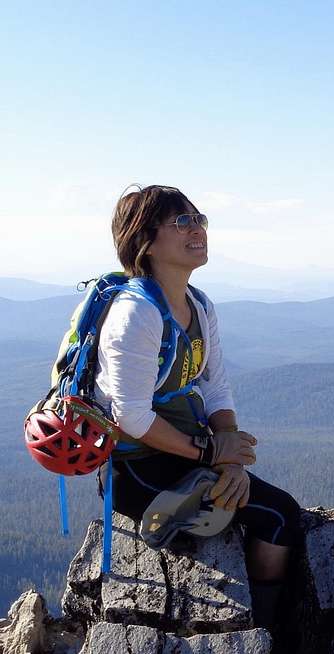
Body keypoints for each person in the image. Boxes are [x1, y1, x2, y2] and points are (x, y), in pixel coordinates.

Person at [94, 184, 302, 628]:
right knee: (279, 516)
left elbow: (216, 387)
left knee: (259, 503)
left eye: (199, 219)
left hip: (185, 452)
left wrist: (230, 458)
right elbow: (129, 415)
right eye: (181, 221)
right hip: (136, 468)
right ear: (145, 241)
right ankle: (267, 634)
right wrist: (211, 454)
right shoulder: (137, 313)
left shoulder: (199, 305)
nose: (198, 230)